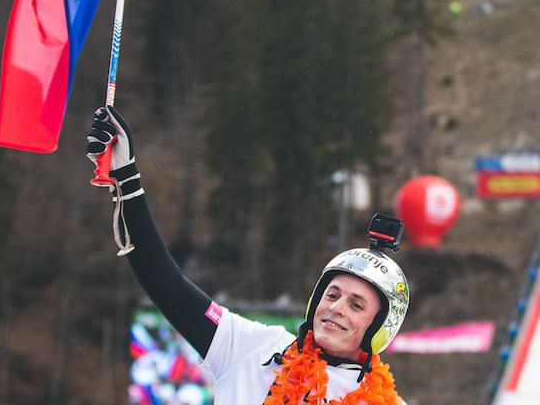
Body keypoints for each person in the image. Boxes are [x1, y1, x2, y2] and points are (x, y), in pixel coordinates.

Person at [86, 106, 410, 404]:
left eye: (356, 305)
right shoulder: (254, 347)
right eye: (332, 294)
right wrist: (126, 177)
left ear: (380, 327)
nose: (336, 308)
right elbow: (165, 283)